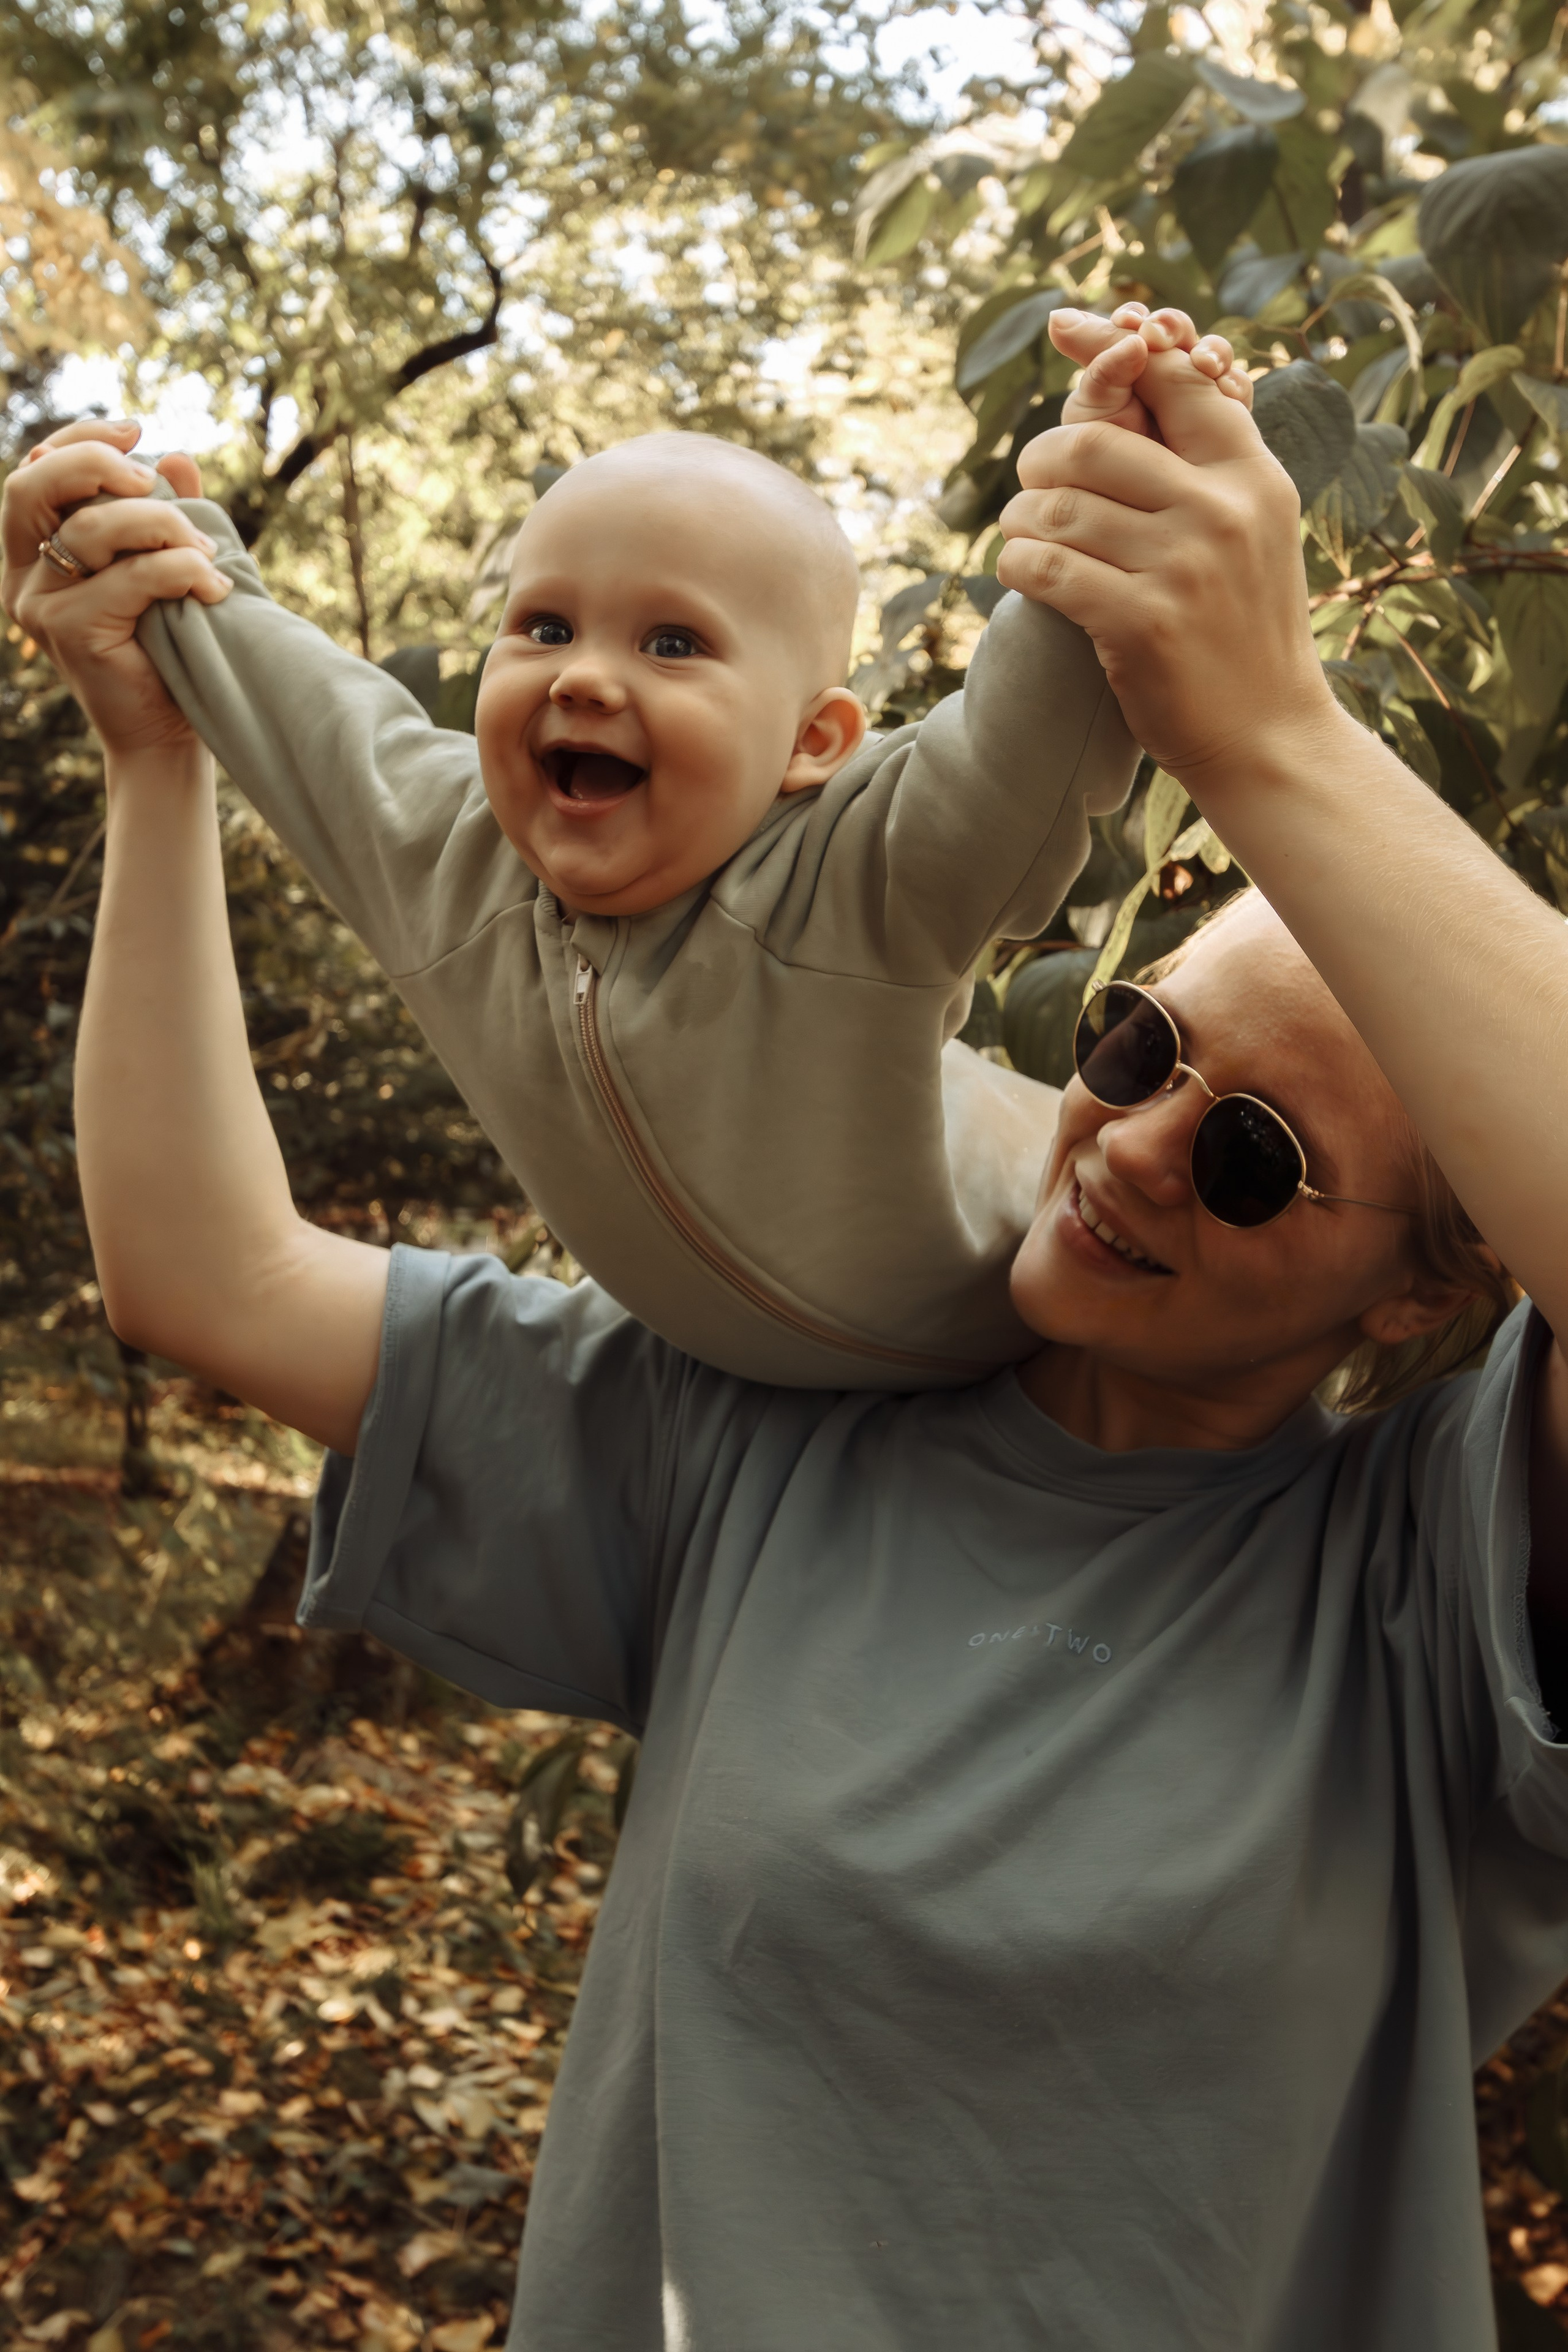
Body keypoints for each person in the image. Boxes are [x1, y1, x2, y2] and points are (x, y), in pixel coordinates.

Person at [10, 326, 1568, 2352]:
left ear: (1422, 1288)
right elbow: (200, 1276)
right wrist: (158, 757)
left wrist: (1271, 729)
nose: (1144, 1141)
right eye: (1137, 1041)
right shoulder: (764, 1436)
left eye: (1263, 1155)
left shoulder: (1426, 1596)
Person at [2, 310, 1250, 1389]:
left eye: (671, 644)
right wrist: (152, 546)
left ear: (810, 742)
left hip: (1075, 1329)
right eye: (543, 626)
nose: (585, 677)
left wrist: (1107, 489)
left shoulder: (861, 878)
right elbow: (308, 709)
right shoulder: (453, 860)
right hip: (742, 1391)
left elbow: (1015, 744)